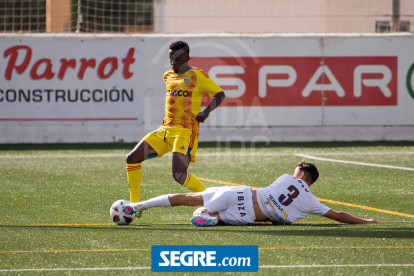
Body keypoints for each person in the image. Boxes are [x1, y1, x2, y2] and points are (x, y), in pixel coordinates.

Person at [125, 41, 226, 211]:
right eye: (171, 58)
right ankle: (134, 206)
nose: (174, 62)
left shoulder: (198, 75)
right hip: (164, 130)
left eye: (178, 58)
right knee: (132, 158)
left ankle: (212, 201)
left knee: (179, 175)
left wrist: (205, 112)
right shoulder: (167, 76)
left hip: (185, 131)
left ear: (187, 57)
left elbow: (219, 94)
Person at [123, 160, 383, 226]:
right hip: (248, 216)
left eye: (295, 172)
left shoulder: (285, 178)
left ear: (302, 175)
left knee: (188, 200)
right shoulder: (311, 202)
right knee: (210, 215)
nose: (292, 174)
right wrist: (366, 220)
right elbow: (338, 215)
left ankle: (137, 207)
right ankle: (212, 219)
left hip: (242, 194)